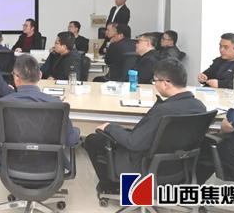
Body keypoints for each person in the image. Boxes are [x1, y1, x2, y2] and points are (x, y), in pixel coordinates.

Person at [85, 59, 206, 194]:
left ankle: (113, 187)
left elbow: (134, 143)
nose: (155, 85)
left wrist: (109, 127)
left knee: (94, 140)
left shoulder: (163, 111)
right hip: (182, 166)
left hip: (148, 165)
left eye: (155, 81)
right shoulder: (200, 107)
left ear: (166, 83)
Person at [0, 54, 80, 171]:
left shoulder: (2, 103)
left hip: (10, 166)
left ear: (16, 79)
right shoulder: (57, 104)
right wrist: (77, 131)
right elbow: (70, 140)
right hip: (50, 167)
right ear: (40, 75)